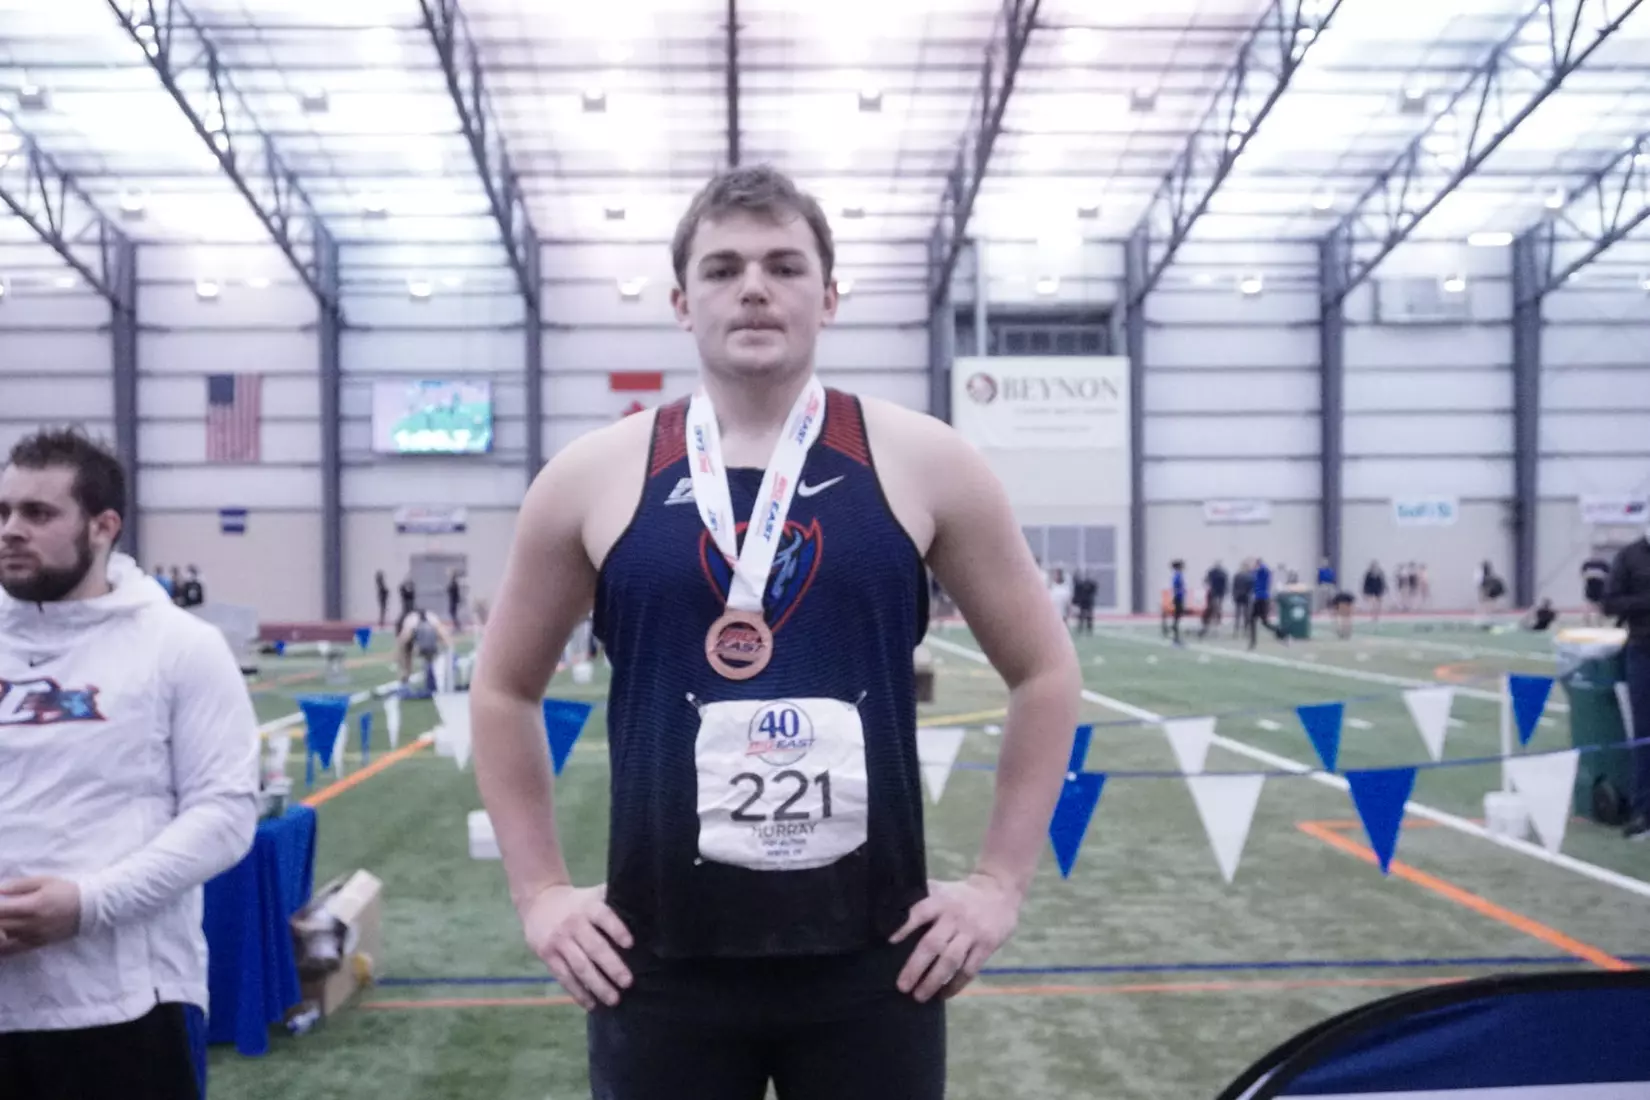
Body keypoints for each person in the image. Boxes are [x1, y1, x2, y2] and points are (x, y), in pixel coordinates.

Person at [468, 164, 1082, 1100]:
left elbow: (1044, 670)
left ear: (828, 297)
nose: (753, 287)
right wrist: (542, 893)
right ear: (682, 302)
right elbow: (504, 688)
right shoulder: (590, 477)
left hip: (878, 962)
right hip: (655, 962)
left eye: (784, 266)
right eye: (722, 269)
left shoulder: (928, 463)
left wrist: (997, 886)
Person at [0, 427, 260, 1099]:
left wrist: (88, 903)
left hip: (123, 1009)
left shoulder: (178, 646)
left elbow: (226, 813)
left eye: (38, 513)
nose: (11, 530)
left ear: (103, 526)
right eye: (3, 512)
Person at [1602, 526, 1650, 840]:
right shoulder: (1629, 556)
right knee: (1645, 734)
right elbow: (1610, 604)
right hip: (1643, 650)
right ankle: (1643, 812)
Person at [1249, 557, 1287, 650]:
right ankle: (1253, 641)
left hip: (1262, 599)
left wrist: (1258, 566)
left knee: (1263, 622)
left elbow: (1264, 570)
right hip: (1258, 598)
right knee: (1255, 620)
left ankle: (1280, 632)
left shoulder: (1263, 571)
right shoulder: (1257, 573)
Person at [1199, 559, 1228, 639]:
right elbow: (1226, 585)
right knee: (1217, 609)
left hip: (1213, 593)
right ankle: (1216, 625)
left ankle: (1208, 625)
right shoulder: (1223, 573)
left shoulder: (1212, 572)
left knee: (1212, 609)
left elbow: (1206, 581)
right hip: (1219, 594)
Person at [1581, 553, 1610, 626]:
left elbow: (1609, 575)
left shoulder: (1603, 565)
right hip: (1591, 588)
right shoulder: (1587, 564)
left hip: (1600, 588)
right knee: (1588, 606)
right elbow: (1582, 574)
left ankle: (1599, 623)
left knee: (1600, 607)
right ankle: (1588, 622)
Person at [1231, 559, 1254, 640]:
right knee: (1246, 614)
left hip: (1239, 596)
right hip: (1246, 597)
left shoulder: (1238, 575)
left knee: (1239, 614)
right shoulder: (1250, 576)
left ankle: (1237, 630)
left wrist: (1234, 595)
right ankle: (1244, 630)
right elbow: (1251, 587)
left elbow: (1234, 587)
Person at [1167, 559, 1187, 645]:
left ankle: (1176, 638)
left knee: (1177, 619)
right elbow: (1177, 587)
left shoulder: (1178, 575)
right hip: (1178, 598)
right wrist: (1180, 593)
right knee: (1176, 619)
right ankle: (1175, 639)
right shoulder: (1178, 576)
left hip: (1178, 598)